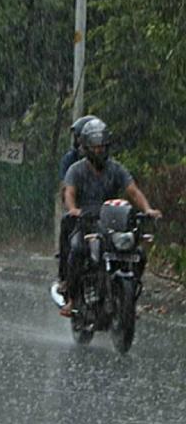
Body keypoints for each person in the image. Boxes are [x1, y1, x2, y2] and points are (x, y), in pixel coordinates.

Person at [59, 119, 162, 317]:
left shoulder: (116, 169)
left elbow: (133, 191)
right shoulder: (76, 169)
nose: (99, 151)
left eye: (102, 147)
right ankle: (72, 298)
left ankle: (128, 300)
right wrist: (73, 209)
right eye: (95, 147)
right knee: (78, 250)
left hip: (112, 222)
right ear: (87, 148)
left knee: (138, 253)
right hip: (86, 221)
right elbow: (69, 193)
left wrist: (148, 209)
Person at [56, 115, 96, 289]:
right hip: (80, 209)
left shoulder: (107, 163)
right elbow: (66, 188)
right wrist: (73, 207)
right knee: (67, 227)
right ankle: (65, 276)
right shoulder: (70, 160)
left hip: (101, 210)